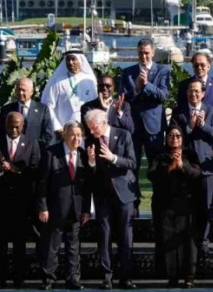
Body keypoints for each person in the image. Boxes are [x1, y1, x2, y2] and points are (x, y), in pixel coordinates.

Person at [84, 108, 140, 289]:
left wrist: (113, 158)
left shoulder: (123, 135)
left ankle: (126, 276)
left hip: (124, 194)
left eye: (93, 128)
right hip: (103, 195)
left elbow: (132, 163)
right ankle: (107, 276)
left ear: (103, 123)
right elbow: (88, 174)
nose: (91, 131)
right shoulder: (90, 141)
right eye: (89, 128)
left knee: (125, 237)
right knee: (104, 236)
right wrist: (92, 161)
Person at [0, 112, 41, 289]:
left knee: (20, 243)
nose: (14, 129)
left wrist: (15, 169)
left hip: (22, 201)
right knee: (0, 243)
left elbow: (35, 171)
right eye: (10, 126)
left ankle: (19, 279)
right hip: (1, 200)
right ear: (5, 125)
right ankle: (0, 279)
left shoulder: (32, 143)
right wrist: (1, 170)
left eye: (17, 126)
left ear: (23, 125)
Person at [38, 121, 93, 291]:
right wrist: (43, 207)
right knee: (51, 247)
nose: (76, 138)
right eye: (72, 134)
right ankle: (49, 280)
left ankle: (73, 279)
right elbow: (41, 183)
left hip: (76, 209)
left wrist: (86, 210)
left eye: (79, 135)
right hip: (55, 208)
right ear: (65, 135)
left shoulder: (84, 155)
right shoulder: (51, 153)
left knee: (73, 247)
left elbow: (89, 185)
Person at [172, 79, 213, 257]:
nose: (193, 94)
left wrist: (203, 126)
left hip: (207, 166)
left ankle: (204, 243)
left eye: (196, 91)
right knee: (187, 206)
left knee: (207, 207)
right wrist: (190, 127)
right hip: (186, 167)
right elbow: (174, 137)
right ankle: (187, 242)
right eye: (190, 91)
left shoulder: (211, 111)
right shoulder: (179, 112)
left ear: (202, 93)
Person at [148, 124, 202, 288]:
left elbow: (197, 174)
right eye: (171, 135)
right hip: (165, 206)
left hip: (187, 205)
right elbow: (152, 176)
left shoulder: (190, 154)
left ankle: (189, 276)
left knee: (188, 243)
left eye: (178, 136)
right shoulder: (160, 156)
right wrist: (171, 166)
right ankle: (172, 276)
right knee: (168, 242)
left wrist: (182, 165)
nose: (174, 139)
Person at [118, 38, 171, 168]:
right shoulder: (128, 73)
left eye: (146, 53)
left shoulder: (162, 71)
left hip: (154, 127)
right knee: (132, 165)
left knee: (156, 167)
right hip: (133, 126)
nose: (143, 56)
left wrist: (147, 85)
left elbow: (163, 96)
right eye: (141, 53)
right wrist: (136, 88)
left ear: (153, 53)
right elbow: (122, 98)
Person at [41, 50, 99, 139]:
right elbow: (47, 105)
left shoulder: (90, 80)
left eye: (73, 59)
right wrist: (57, 127)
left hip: (86, 130)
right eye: (68, 60)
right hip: (64, 131)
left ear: (80, 60)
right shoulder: (57, 81)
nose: (70, 62)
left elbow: (95, 105)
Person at [0, 76, 55, 149]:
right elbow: (2, 135)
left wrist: (31, 148)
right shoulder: (6, 110)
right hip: (12, 154)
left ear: (31, 91)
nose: (20, 93)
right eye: (18, 90)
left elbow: (48, 134)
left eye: (23, 90)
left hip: (36, 154)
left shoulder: (42, 110)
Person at [178, 50, 213, 117]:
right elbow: (180, 107)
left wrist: (210, 111)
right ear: (192, 67)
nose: (199, 68)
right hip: (190, 125)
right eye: (196, 65)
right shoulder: (184, 84)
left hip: (211, 125)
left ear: (208, 66)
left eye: (202, 65)